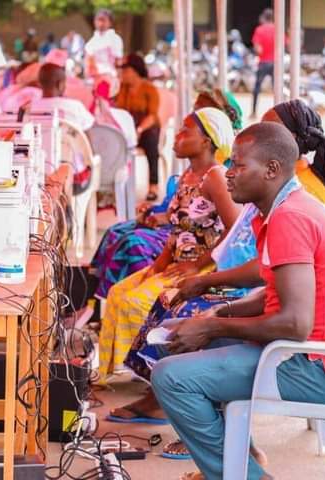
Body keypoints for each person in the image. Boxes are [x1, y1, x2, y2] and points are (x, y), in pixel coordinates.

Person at [151, 121, 325, 480]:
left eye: (238, 164)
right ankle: (238, 461)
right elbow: (273, 290)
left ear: (271, 170)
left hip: (313, 369)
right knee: (186, 343)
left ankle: (246, 476)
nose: (229, 173)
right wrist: (220, 311)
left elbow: (295, 324)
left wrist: (214, 325)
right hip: (308, 357)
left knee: (170, 377)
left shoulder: (290, 217)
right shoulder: (283, 209)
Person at [97, 108, 239, 382]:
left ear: (206, 141)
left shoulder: (216, 177)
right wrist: (158, 265)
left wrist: (197, 265)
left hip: (203, 270)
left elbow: (234, 229)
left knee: (134, 302)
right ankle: (124, 370)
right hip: (177, 263)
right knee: (117, 293)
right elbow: (177, 229)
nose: (177, 136)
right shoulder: (186, 175)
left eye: (186, 131)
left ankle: (152, 374)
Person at [114, 54, 161, 200]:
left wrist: (139, 130)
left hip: (146, 128)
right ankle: (117, 186)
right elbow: (118, 110)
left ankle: (153, 186)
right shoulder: (122, 88)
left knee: (151, 142)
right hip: (128, 128)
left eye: (126, 70)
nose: (122, 74)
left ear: (135, 71)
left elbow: (152, 116)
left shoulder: (149, 89)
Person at [30, 62, 95, 131]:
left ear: (39, 83)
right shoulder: (75, 106)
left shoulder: (30, 108)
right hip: (68, 138)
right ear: (60, 84)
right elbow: (87, 133)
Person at [85, 9, 123, 79]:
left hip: (110, 76)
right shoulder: (91, 42)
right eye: (98, 20)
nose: (100, 23)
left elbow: (118, 61)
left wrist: (118, 78)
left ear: (110, 23)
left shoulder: (114, 39)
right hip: (94, 78)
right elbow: (88, 63)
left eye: (103, 20)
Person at [251, 8, 275, 118]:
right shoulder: (277, 29)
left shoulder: (259, 30)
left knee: (257, 88)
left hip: (264, 62)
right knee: (277, 89)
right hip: (275, 63)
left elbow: (258, 49)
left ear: (263, 17)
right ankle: (279, 113)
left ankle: (254, 112)